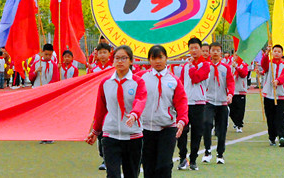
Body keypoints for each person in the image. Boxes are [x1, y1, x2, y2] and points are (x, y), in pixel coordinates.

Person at [86, 45, 147, 178]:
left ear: (131, 60)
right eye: (117, 58)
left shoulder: (138, 82)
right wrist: (95, 131)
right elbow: (101, 108)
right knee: (112, 174)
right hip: (110, 136)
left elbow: (141, 100)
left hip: (133, 136)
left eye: (124, 58)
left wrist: (134, 114)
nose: (120, 61)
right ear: (112, 61)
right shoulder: (105, 83)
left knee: (131, 174)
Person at [139, 44, 187, 178]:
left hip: (167, 128)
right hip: (146, 128)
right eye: (154, 58)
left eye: (160, 57)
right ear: (149, 60)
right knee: (148, 165)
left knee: (164, 165)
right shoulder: (141, 78)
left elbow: (181, 102)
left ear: (166, 58)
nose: (158, 61)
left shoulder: (174, 80)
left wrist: (182, 120)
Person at [174, 37, 209, 171]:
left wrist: (191, 66)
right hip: (185, 103)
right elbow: (181, 83)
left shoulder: (205, 65)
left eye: (196, 48)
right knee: (181, 131)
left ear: (200, 49)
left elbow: (195, 78)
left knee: (196, 132)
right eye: (191, 48)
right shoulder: (185, 65)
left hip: (199, 103)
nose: (193, 51)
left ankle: (193, 159)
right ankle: (183, 158)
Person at [201, 42, 233, 164]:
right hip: (208, 101)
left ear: (221, 53)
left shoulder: (226, 68)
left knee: (222, 129)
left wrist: (230, 94)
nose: (215, 52)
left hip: (222, 102)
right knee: (207, 123)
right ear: (209, 52)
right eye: (213, 50)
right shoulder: (205, 66)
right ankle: (207, 151)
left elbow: (230, 82)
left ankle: (220, 154)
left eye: (217, 50)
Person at [258, 44, 284, 147]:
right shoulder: (269, 63)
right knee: (270, 117)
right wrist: (266, 53)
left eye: (279, 51)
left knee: (281, 116)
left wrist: (278, 81)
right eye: (275, 51)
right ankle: (272, 137)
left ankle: (282, 136)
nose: (276, 53)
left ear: (282, 54)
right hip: (268, 95)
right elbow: (264, 65)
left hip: (280, 95)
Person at [229, 52, 249, 133]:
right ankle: (236, 122)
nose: (236, 56)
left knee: (240, 110)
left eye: (238, 55)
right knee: (230, 109)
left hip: (240, 90)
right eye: (235, 55)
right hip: (232, 91)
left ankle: (239, 125)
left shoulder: (243, 65)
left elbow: (243, 74)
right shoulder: (230, 65)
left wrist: (236, 67)